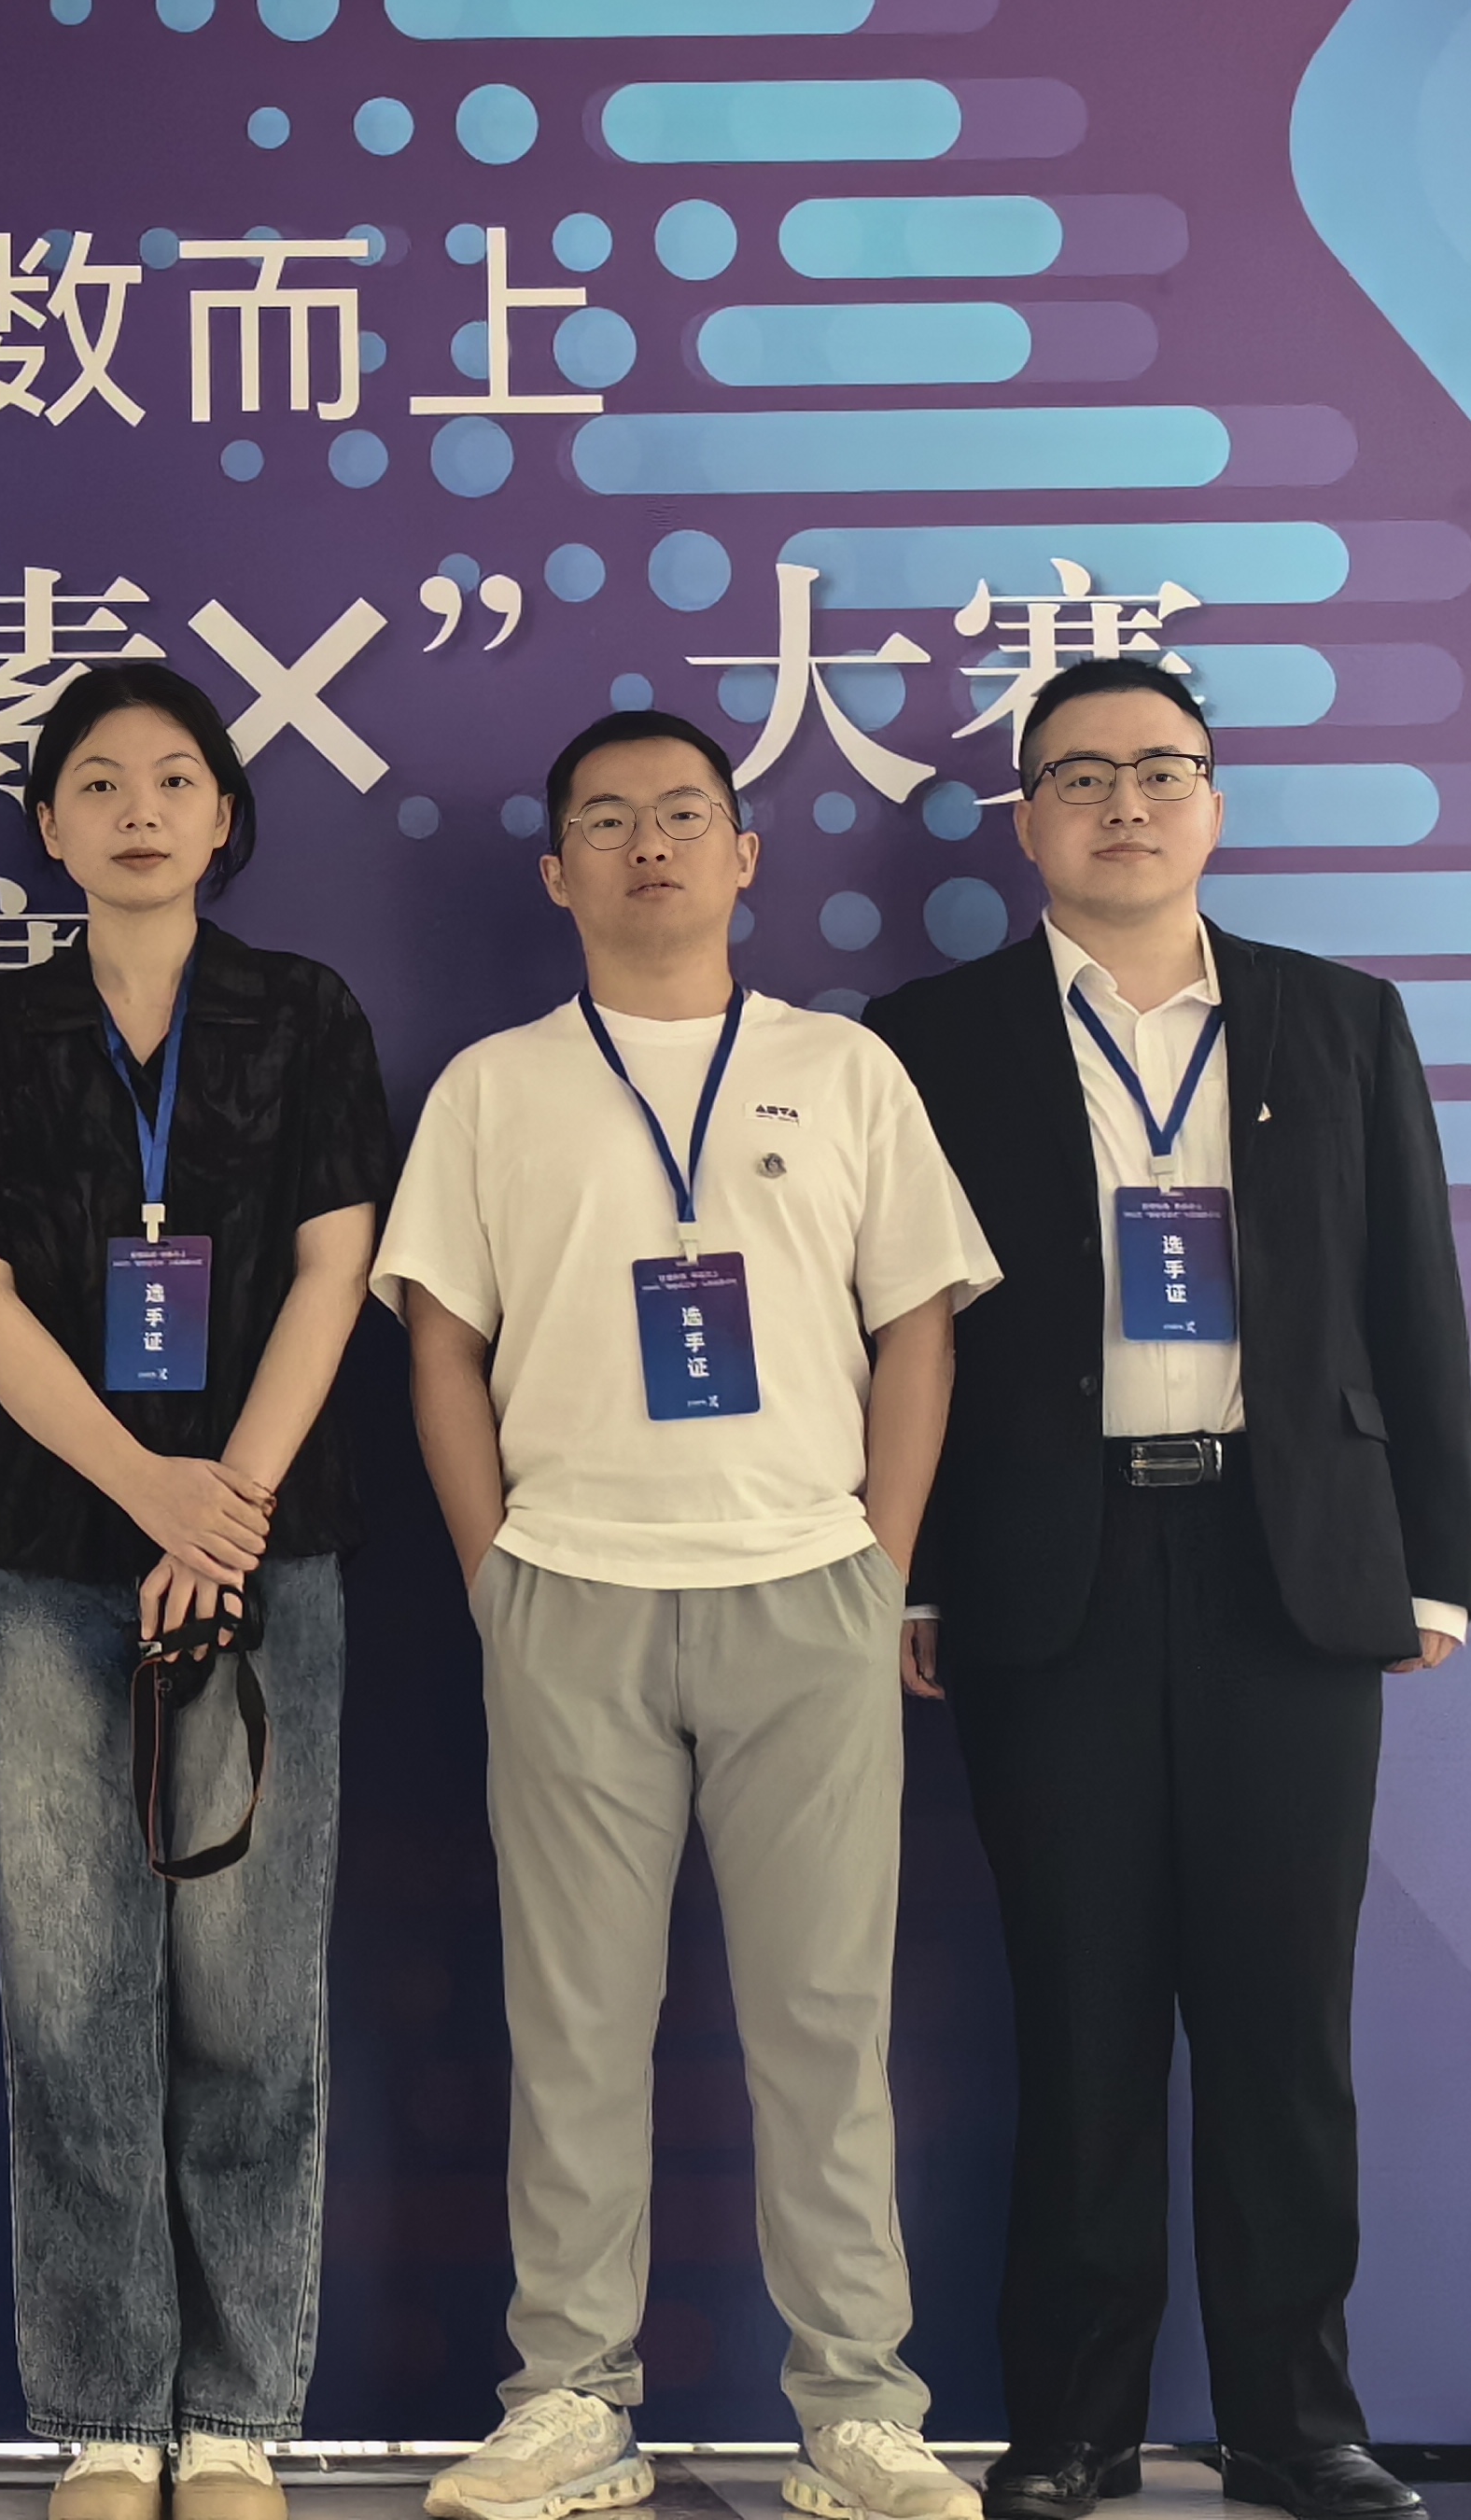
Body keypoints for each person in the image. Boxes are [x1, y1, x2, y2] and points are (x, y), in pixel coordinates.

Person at [863, 657, 1471, 2520]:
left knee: (1284, 2018)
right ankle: (1070, 2427)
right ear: (1023, 819)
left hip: (1289, 1566)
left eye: (1158, 770)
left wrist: (1433, 1567)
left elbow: (1412, 1297)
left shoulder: (1337, 1019)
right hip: (1043, 1565)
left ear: (1211, 801)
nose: (1121, 805)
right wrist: (909, 1571)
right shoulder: (926, 1036)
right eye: (1078, 776)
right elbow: (888, 1325)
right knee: (1080, 2014)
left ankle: (1295, 2424)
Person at [371, 710, 997, 2520]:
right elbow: (440, 1345)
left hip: (803, 1593)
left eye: (681, 815)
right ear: (553, 871)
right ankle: (569, 2402)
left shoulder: (842, 1069)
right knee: (573, 2025)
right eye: (604, 820)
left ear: (743, 856)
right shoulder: (492, 1088)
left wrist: (875, 1561)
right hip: (568, 1595)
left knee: (824, 2023)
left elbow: (916, 1325)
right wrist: (494, 1573)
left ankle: (860, 2412)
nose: (646, 846)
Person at [0, 665, 394, 2520]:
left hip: (265, 1557)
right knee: (70, 1992)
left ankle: (239, 2415)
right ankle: (108, 2411)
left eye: (174, 778)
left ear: (225, 814)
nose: (139, 810)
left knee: (249, 1994)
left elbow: (339, 1264)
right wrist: (148, 1491)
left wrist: (223, 1506)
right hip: (44, 1556)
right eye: (96, 783)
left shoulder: (301, 1012)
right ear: (47, 826)